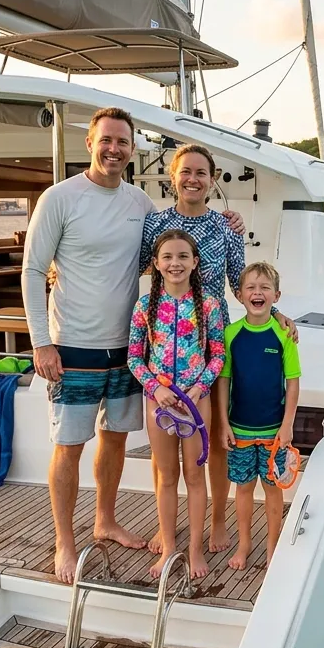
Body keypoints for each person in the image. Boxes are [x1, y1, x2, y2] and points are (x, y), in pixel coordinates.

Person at [22, 108, 242, 584]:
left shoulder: (141, 205)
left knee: (115, 439)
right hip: (73, 345)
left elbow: (178, 244)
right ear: (90, 142)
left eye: (123, 142)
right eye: (107, 140)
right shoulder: (59, 198)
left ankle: (105, 519)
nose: (115, 149)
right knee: (68, 445)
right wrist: (41, 342)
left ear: (132, 149)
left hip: (127, 350)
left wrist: (227, 222)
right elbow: (34, 270)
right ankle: (65, 542)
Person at [140, 143, 296, 554]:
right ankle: (167, 528)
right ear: (173, 176)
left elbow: (239, 284)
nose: (193, 179)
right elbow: (138, 268)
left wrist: (275, 313)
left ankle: (220, 519)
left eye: (201, 173)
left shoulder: (226, 228)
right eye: (185, 171)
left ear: (212, 180)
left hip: (212, 346)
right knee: (167, 455)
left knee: (214, 441)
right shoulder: (154, 225)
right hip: (165, 340)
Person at [128, 229, 226, 579]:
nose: (175, 263)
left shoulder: (209, 306)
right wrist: (155, 388)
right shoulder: (145, 307)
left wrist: (200, 388)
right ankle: (169, 546)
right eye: (167, 257)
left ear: (195, 262)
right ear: (155, 263)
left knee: (194, 475)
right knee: (167, 476)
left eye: (183, 256)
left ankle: (196, 548)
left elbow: (218, 355)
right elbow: (135, 359)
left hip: (197, 402)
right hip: (160, 404)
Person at [216, 262, 299, 571]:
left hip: (274, 431)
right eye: (251, 287)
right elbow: (224, 381)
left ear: (276, 295)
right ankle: (244, 544)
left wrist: (287, 424)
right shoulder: (231, 334)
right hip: (240, 430)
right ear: (239, 296)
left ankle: (272, 544)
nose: (257, 292)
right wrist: (224, 423)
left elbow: (293, 382)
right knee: (244, 487)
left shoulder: (284, 334)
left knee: (273, 488)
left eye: (265, 287)